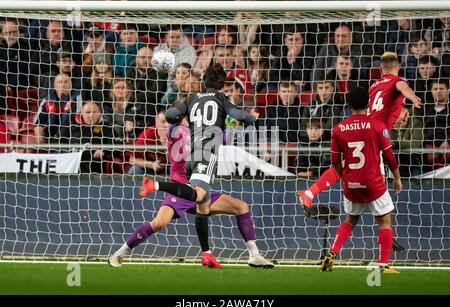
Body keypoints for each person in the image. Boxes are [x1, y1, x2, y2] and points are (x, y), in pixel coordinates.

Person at [109, 101, 273, 269]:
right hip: (180, 190)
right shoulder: (175, 130)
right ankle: (120, 253)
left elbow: (224, 138)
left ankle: (254, 255)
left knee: (241, 206)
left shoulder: (198, 131)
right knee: (159, 223)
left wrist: (240, 122)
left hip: (199, 187)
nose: (164, 125)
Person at [160, 64, 259, 267]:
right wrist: (251, 118)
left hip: (191, 158)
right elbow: (239, 115)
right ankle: (156, 186)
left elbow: (170, 115)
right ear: (223, 85)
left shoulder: (192, 98)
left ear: (204, 82)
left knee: (213, 205)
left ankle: (212, 254)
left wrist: (183, 118)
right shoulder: (222, 98)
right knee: (199, 196)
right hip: (206, 155)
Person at [298, 51, 421, 208]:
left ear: (381, 69)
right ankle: (381, 214)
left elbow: (378, 111)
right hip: (374, 134)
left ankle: (310, 193)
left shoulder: (375, 86)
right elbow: (402, 86)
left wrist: (394, 121)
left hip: (364, 127)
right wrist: (412, 97)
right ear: (398, 67)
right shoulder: (398, 81)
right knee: (381, 205)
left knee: (345, 164)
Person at [320, 86, 402, 273]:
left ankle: (332, 252)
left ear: (348, 106)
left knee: (349, 220)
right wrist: (397, 178)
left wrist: (345, 176)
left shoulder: (338, 129)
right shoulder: (377, 126)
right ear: (369, 104)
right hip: (374, 183)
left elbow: (334, 160)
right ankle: (383, 264)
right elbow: (389, 157)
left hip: (351, 183)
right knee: (385, 221)